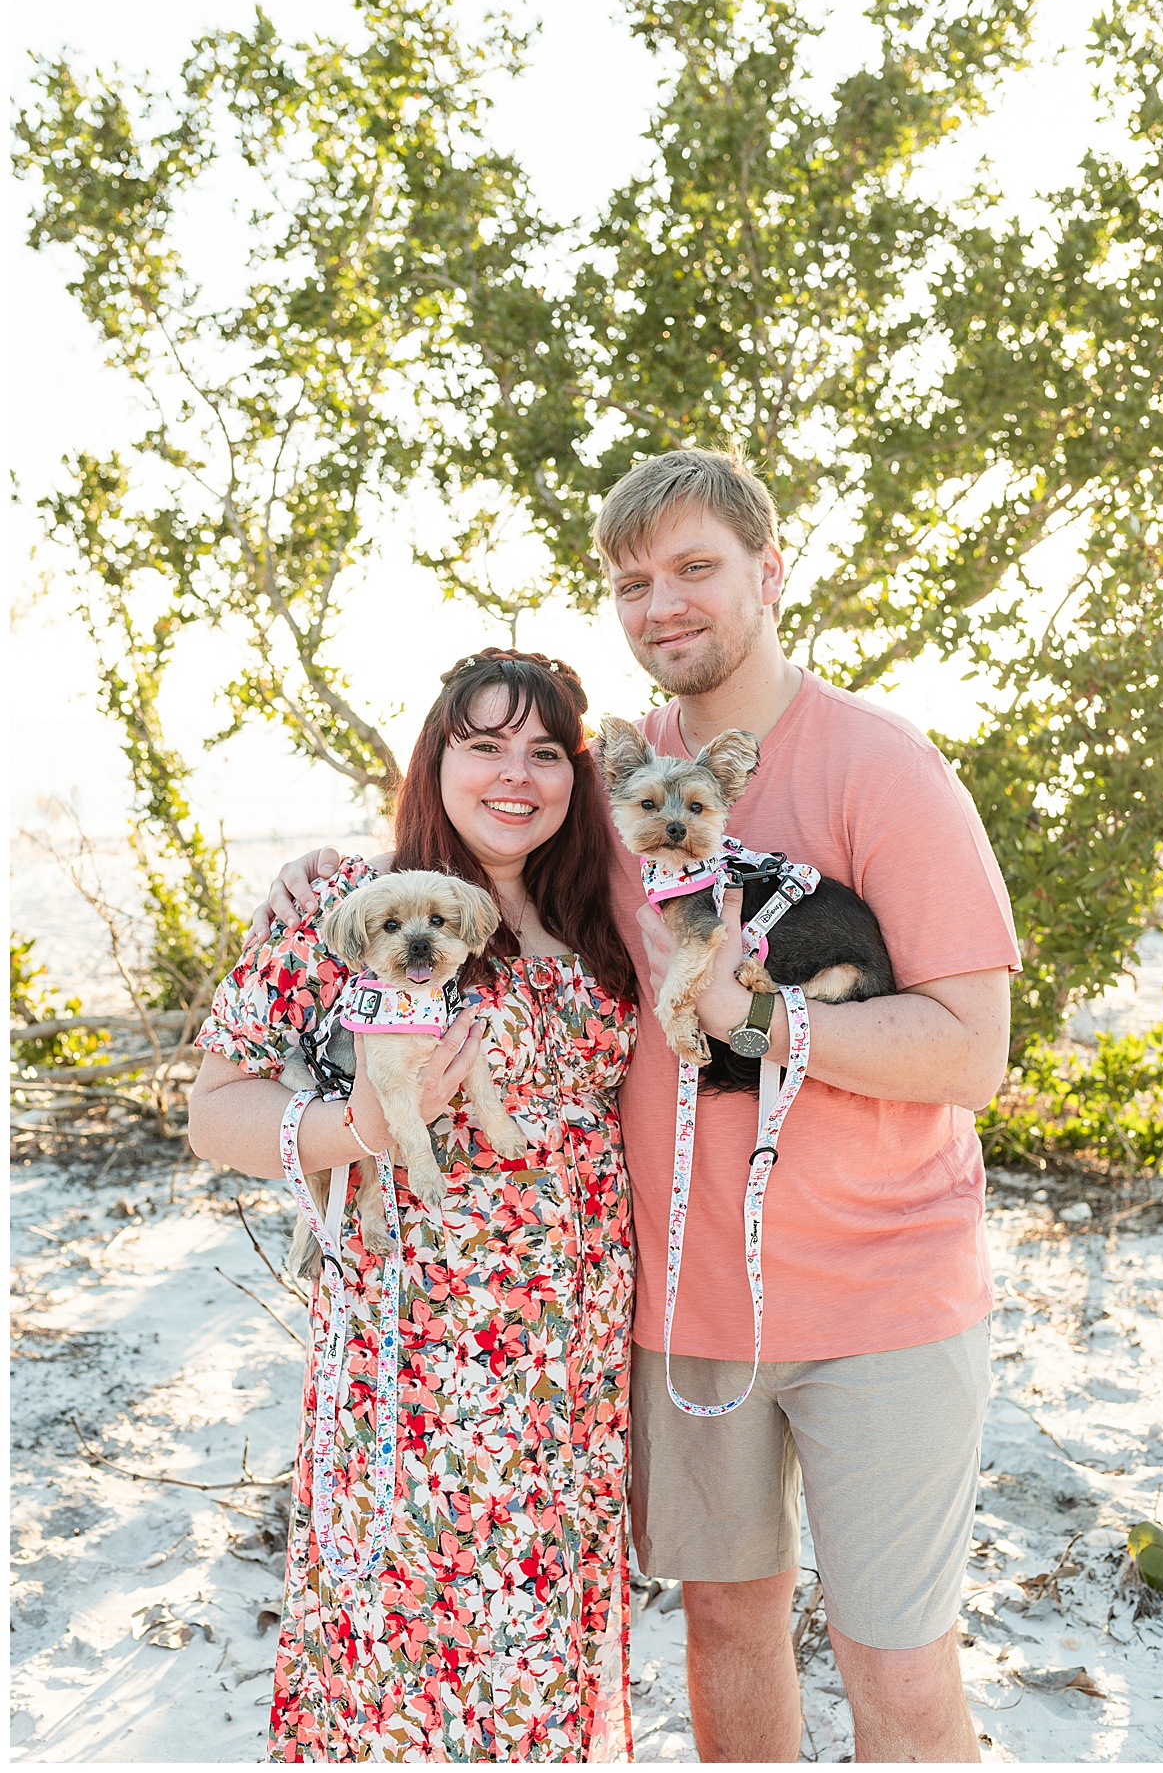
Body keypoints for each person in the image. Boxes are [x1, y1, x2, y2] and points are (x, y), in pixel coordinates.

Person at [256, 448, 1020, 1762]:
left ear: (770, 574)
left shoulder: (881, 766)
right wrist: (326, 888)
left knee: (896, 1675)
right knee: (726, 1634)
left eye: (694, 570)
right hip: (674, 1310)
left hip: (880, 1301)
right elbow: (486, 866)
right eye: (630, 581)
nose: (661, 602)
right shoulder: (609, 784)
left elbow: (972, 1053)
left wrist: (769, 1021)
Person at [190, 649, 643, 1760]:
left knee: (542, 1660)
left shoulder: (605, 921)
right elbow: (215, 1110)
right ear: (434, 759)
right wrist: (354, 1133)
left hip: (571, 1382)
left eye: (546, 752)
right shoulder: (350, 909)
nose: (515, 774)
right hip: (418, 1368)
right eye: (483, 745)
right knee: (410, 1646)